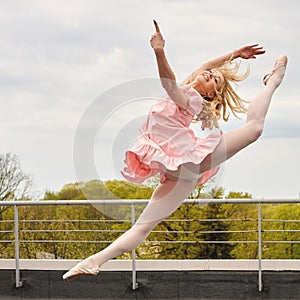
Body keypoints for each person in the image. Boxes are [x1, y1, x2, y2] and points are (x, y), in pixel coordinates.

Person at [62, 20, 287, 281]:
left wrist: (159, 51)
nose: (209, 75)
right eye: (210, 73)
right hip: (179, 174)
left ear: (212, 95)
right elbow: (204, 66)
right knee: (143, 227)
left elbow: (169, 83)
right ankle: (93, 261)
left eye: (214, 80)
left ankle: (273, 82)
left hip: (191, 160)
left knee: (254, 129)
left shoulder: (188, 98)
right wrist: (234, 53)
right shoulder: (189, 85)